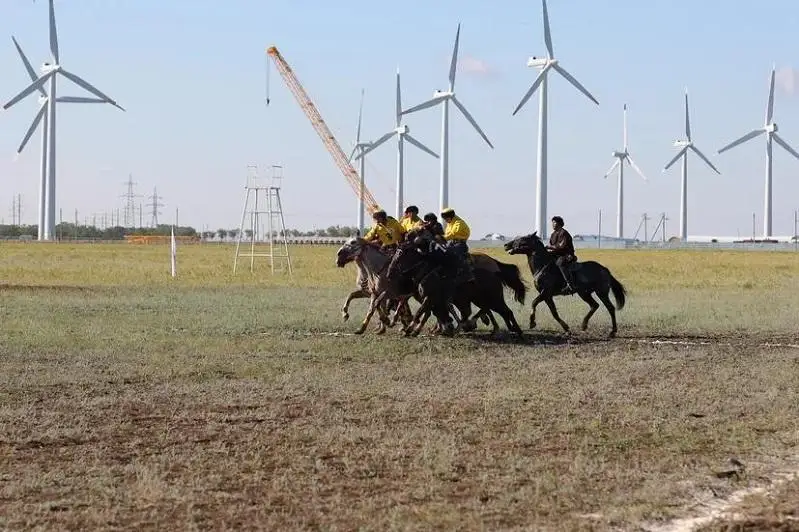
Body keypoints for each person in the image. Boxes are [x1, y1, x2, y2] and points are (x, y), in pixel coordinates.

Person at [440, 207, 475, 282]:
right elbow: (447, 234)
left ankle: (468, 273)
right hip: (452, 243)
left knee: (453, 253)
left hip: (460, 244)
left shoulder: (459, 223)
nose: (445, 220)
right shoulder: (450, 223)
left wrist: (442, 238)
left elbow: (453, 234)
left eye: (446, 218)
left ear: (450, 216)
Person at [547, 215, 577, 295]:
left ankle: (570, 285)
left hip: (567, 255)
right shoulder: (553, 234)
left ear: (559, 224)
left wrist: (550, 247)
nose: (553, 224)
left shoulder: (564, 233)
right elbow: (551, 246)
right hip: (557, 255)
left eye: (554, 222)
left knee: (560, 262)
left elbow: (561, 246)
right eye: (552, 222)